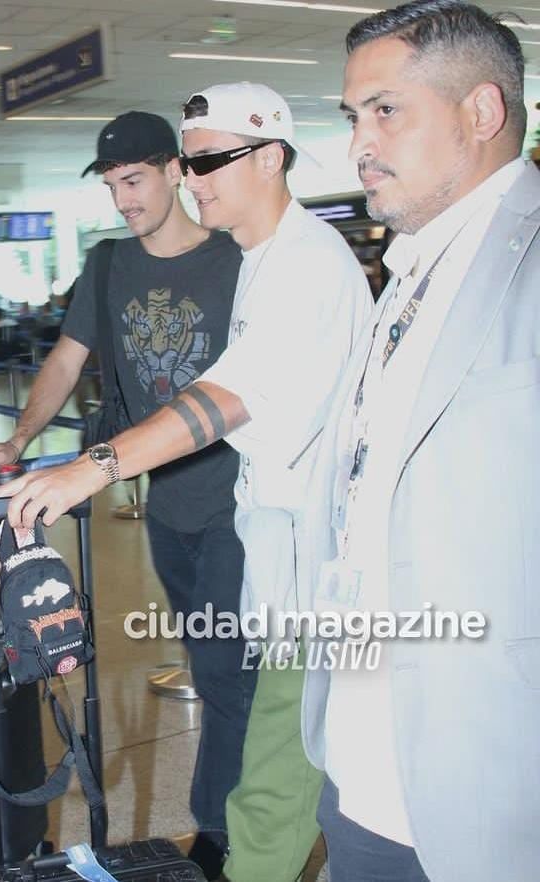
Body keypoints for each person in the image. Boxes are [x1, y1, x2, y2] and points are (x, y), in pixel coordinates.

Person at [0, 84, 372, 882]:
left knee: (272, 754)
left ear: (270, 158)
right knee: (266, 722)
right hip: (264, 535)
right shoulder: (265, 260)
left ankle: (237, 849)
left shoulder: (299, 263)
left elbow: (227, 397)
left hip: (310, 559)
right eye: (192, 163)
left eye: (206, 163)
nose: (195, 182)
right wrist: (29, 443)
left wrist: (89, 469)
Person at [0, 110, 251, 879]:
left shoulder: (239, 260)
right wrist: (18, 441)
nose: (123, 200)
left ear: (174, 173)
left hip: (241, 497)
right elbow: (66, 359)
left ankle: (222, 833)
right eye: (112, 185)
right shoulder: (108, 266)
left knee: (226, 668)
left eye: (134, 181)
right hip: (167, 503)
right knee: (207, 655)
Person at [294, 2, 540, 880]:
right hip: (362, 762)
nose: (359, 142)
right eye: (353, 116)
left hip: (495, 783)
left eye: (386, 110)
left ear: (481, 113)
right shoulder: (404, 272)